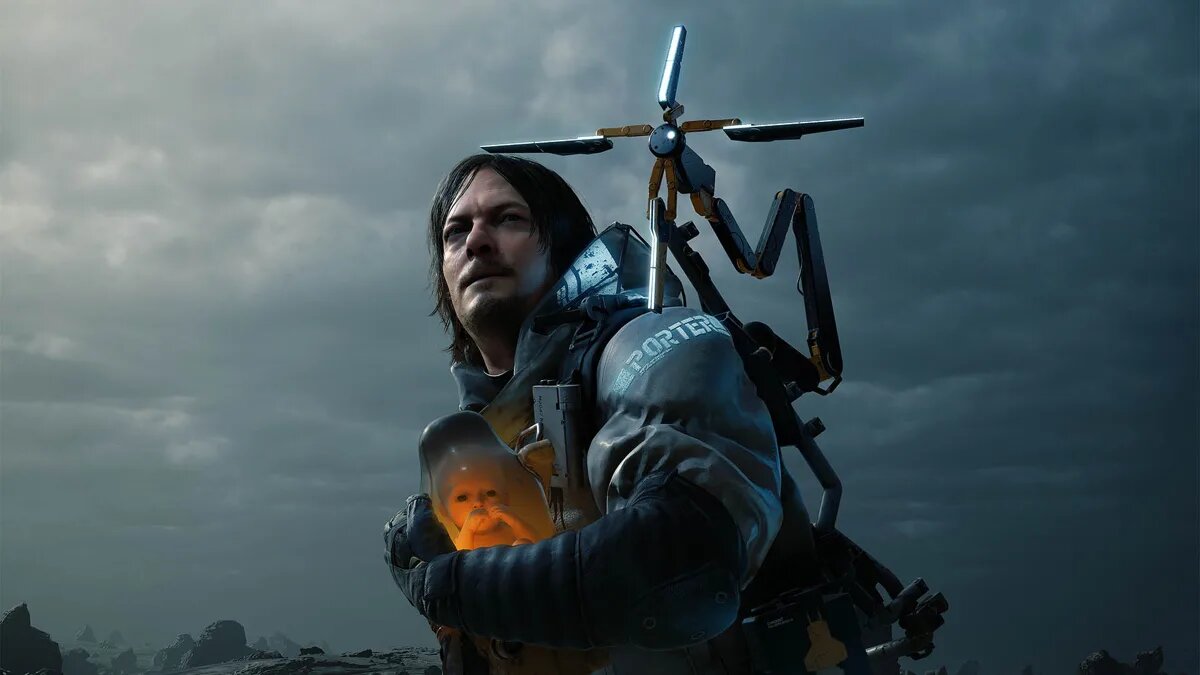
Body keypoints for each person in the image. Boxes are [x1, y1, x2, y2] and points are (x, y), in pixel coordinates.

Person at [384, 153, 825, 675]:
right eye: (456, 232)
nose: (476, 241)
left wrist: (454, 585)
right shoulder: (478, 438)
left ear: (565, 249)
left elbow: (681, 562)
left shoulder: (651, 345)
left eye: (508, 219)